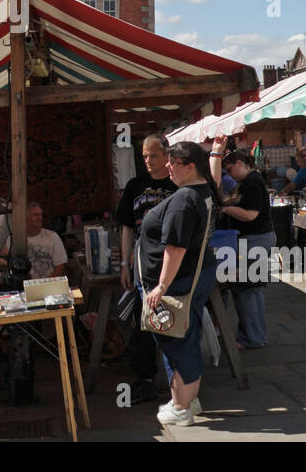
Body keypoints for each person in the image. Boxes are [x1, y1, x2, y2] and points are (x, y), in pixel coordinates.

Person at [140, 141, 219, 427]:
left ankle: (181, 407)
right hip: (193, 278)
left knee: (176, 341)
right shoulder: (204, 191)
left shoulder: (185, 199)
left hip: (177, 282)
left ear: (190, 167)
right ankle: (189, 399)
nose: (167, 167)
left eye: (173, 163)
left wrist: (161, 286)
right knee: (186, 334)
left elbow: (176, 249)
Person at [115, 134, 179, 403]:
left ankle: (181, 386)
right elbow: (127, 227)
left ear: (167, 155)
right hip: (142, 266)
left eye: (153, 155)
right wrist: (124, 263)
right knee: (142, 325)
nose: (149, 161)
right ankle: (146, 380)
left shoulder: (178, 185)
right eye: (144, 156)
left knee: (173, 325)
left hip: (173, 264)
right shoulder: (135, 186)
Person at [212, 141, 274, 349]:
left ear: (239, 163)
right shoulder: (251, 181)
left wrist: (224, 207)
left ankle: (251, 338)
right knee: (252, 289)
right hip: (257, 239)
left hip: (254, 239)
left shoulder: (252, 182)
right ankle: (255, 335)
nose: (230, 174)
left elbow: (250, 215)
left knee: (245, 289)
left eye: (230, 169)